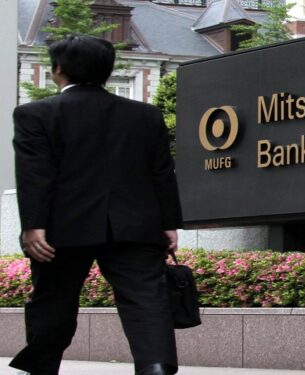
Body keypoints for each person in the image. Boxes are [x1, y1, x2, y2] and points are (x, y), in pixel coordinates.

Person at [9, 35, 182, 375]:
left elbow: (35, 174)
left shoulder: (35, 114)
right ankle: (156, 367)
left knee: (54, 300)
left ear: (58, 70)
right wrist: (169, 223)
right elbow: (162, 172)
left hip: (63, 226)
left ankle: (41, 368)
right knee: (146, 300)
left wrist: (33, 225)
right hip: (137, 224)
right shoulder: (145, 115)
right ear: (107, 71)